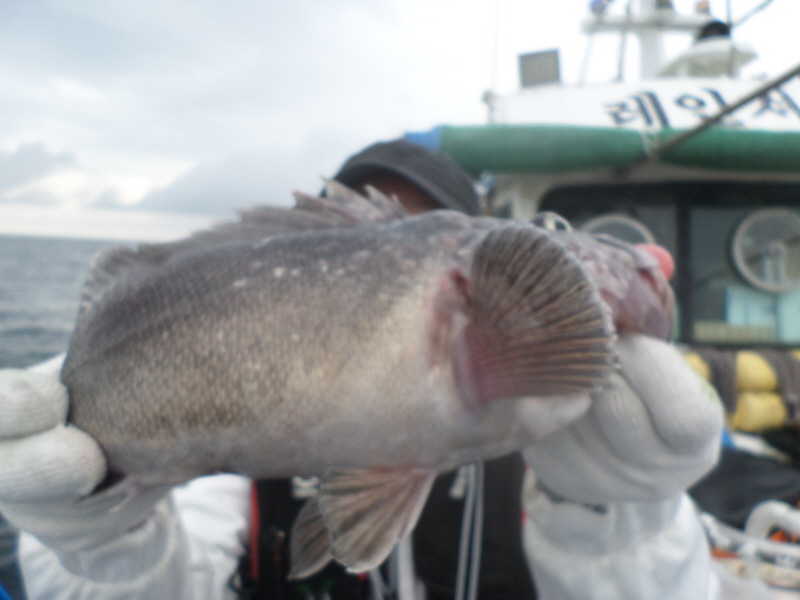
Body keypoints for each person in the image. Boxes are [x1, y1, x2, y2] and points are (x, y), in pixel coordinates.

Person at [0, 139, 724, 600]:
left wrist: (628, 517)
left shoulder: (556, 459)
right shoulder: (230, 495)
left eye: (417, 224)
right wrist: (102, 542)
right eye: (361, 219)